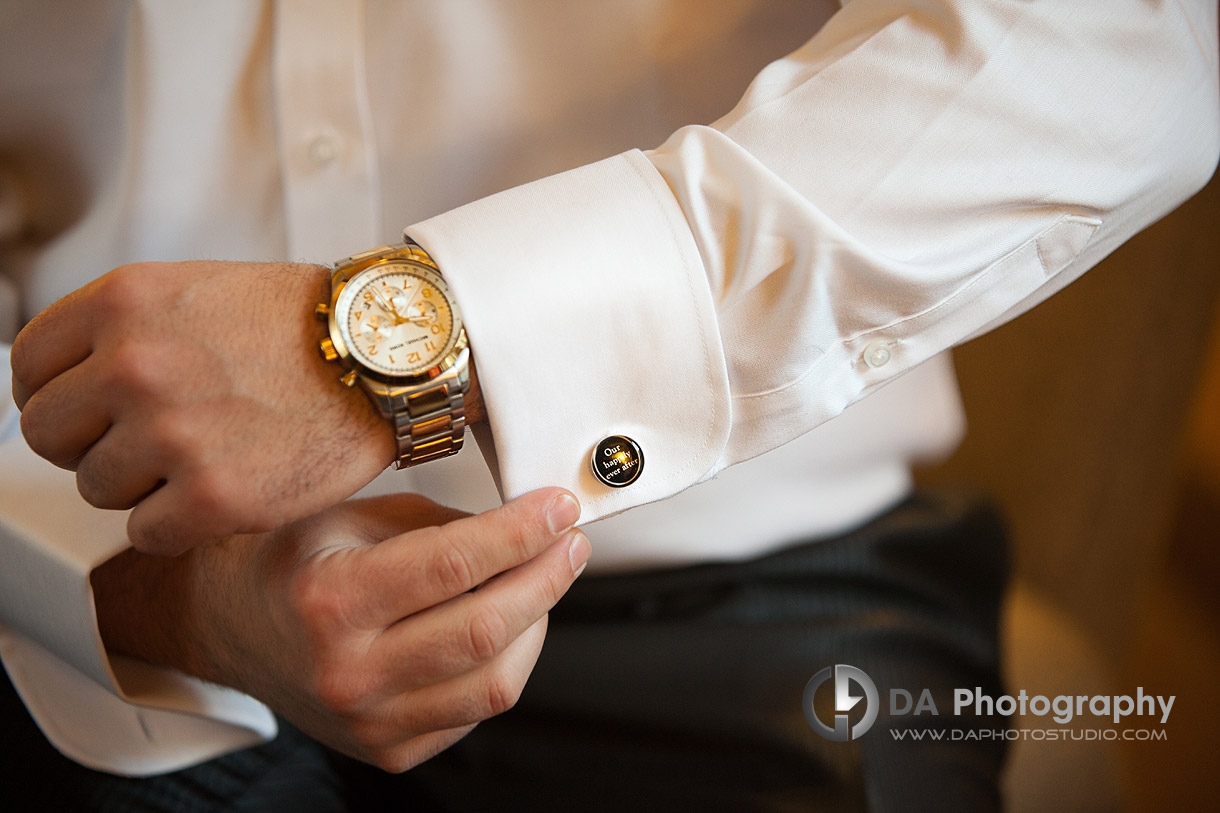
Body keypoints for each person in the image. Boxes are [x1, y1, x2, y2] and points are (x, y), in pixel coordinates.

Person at [2, 1, 1217, 810]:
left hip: (726, 588)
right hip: (87, 585)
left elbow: (1115, 45)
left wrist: (432, 337)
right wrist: (158, 598)